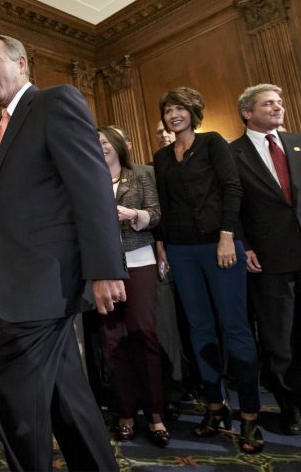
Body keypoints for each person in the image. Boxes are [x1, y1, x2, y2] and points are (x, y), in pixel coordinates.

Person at [0, 34, 126, 472]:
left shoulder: (56, 102)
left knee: (15, 396)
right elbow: (1, 216)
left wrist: (106, 269)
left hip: (47, 282)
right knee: (65, 397)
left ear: (21, 63)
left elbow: (91, 187)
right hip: (17, 282)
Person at [154, 87, 264, 453]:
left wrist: (228, 236)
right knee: (200, 330)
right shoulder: (162, 157)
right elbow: (166, 207)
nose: (174, 115)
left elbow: (232, 189)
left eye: (180, 109)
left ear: (193, 112)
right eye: (168, 110)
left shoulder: (213, 143)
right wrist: (163, 245)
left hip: (221, 246)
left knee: (235, 328)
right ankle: (215, 407)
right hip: (182, 252)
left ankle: (250, 415)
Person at [231, 83, 301, 435]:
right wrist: (245, 247)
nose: (278, 107)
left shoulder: (296, 142)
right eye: (268, 103)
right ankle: (290, 406)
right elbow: (232, 207)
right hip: (269, 258)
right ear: (247, 111)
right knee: (280, 340)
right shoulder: (233, 152)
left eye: (279, 102)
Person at [97, 126, 168, 446]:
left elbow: (155, 214)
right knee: (113, 341)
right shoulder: (89, 180)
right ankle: (126, 411)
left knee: (143, 332)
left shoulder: (139, 174)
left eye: (104, 142)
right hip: (105, 267)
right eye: (94, 143)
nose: (100, 147)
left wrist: (133, 214)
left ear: (117, 145)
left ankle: (155, 414)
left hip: (139, 259)